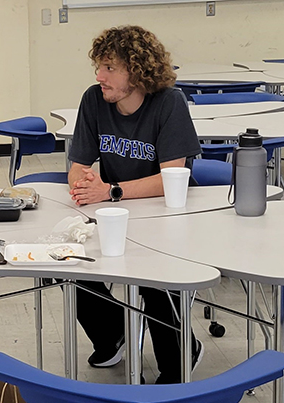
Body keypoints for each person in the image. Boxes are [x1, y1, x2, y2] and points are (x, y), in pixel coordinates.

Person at [68, 25, 203, 384]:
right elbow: (78, 167)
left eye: (110, 68)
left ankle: (179, 359)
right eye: (99, 67)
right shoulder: (94, 100)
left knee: (153, 276)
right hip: (115, 211)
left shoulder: (169, 102)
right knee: (65, 261)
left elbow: (171, 178)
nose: (100, 76)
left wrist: (109, 191)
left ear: (138, 70)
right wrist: (84, 185)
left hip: (166, 213)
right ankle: (113, 333)